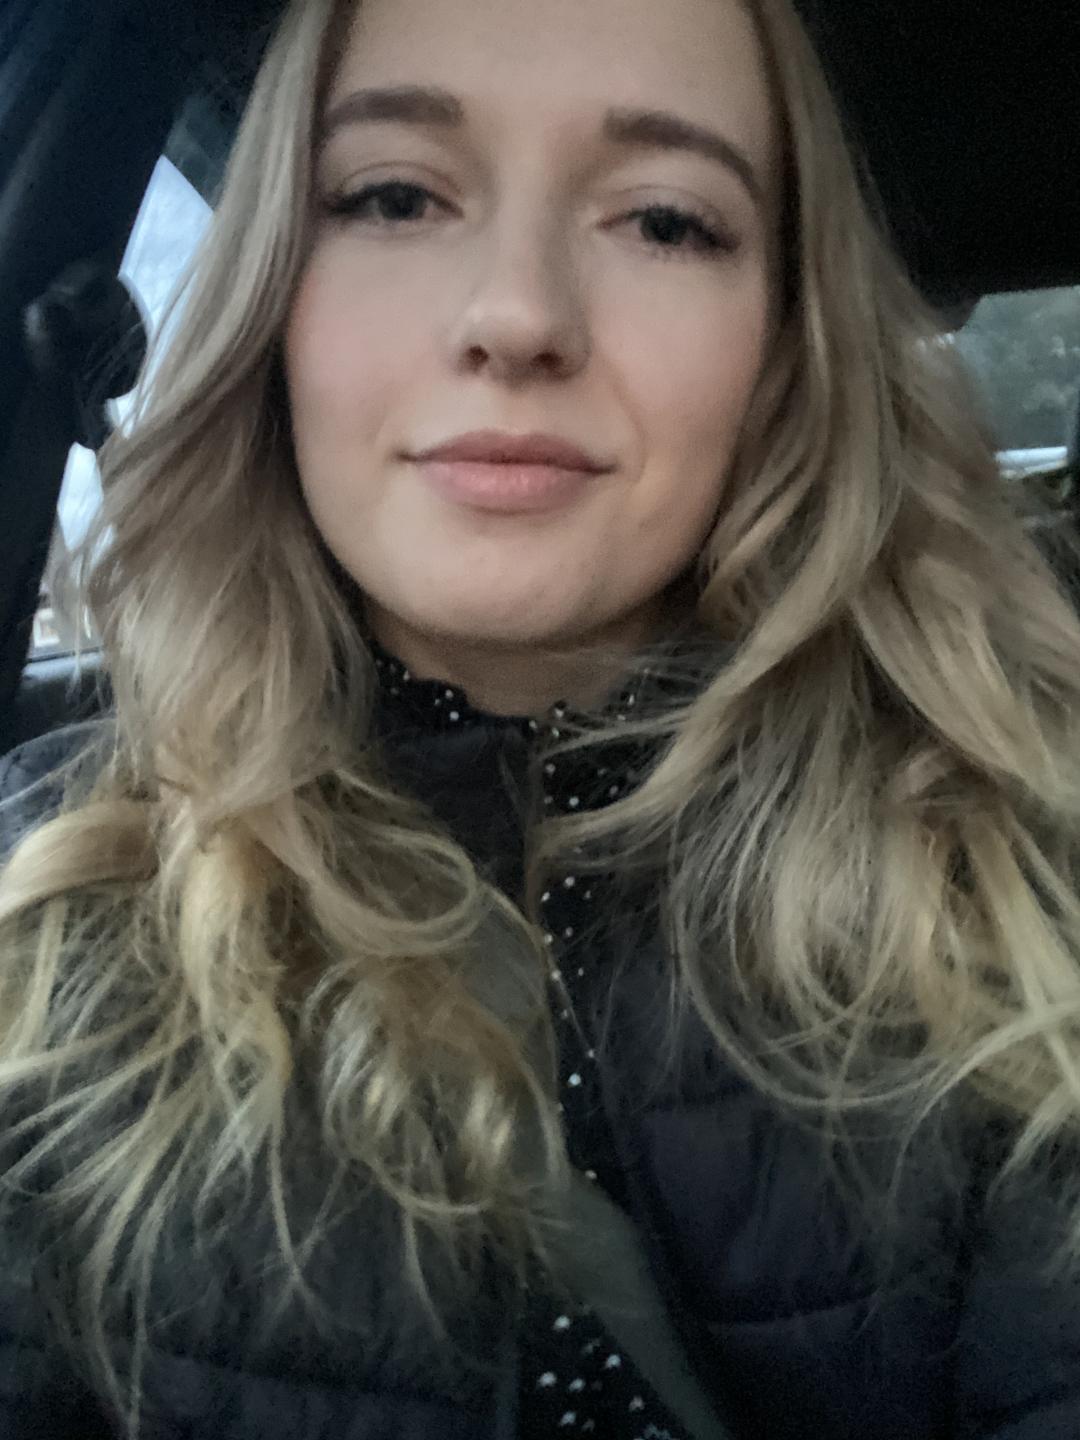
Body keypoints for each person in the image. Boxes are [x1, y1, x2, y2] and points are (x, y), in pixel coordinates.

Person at [2, 0, 1080, 1435]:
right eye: (394, 197)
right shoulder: (41, 912)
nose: (518, 317)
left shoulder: (1030, 875)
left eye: (664, 222)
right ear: (276, 302)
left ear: (782, 343)